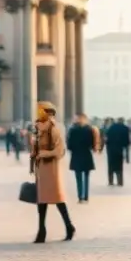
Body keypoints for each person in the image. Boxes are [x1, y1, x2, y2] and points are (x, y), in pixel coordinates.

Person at [29, 102, 74, 243]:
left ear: (48, 113)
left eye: (40, 111)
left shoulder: (54, 129)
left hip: (52, 168)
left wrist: (44, 153)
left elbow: (59, 150)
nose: (38, 114)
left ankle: (69, 226)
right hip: (40, 169)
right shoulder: (37, 129)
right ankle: (41, 231)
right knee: (41, 201)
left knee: (57, 200)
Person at [67, 113, 96, 203]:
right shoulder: (89, 130)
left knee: (78, 178)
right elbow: (92, 144)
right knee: (86, 177)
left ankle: (80, 197)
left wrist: (74, 149)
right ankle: (86, 197)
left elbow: (69, 145)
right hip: (87, 155)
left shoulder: (72, 130)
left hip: (76, 156)